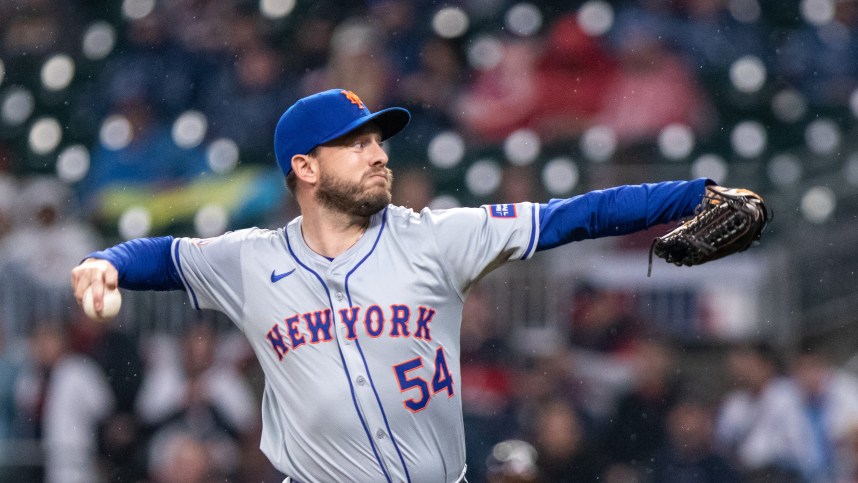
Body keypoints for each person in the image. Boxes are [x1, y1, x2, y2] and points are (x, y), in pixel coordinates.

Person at [71, 88, 744, 482]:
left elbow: (575, 215)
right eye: (355, 143)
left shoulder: (434, 238)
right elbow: (159, 254)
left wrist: (694, 193)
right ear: (305, 166)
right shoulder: (250, 260)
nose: (378, 152)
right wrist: (105, 263)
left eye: (378, 140)